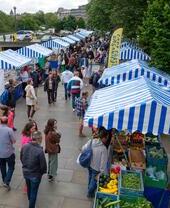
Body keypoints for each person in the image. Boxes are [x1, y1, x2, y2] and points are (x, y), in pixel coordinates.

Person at [20, 131, 47, 208]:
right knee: (34, 192)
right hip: (35, 175)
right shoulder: (39, 151)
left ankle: (30, 200)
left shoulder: (24, 146)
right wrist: (42, 172)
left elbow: (21, 158)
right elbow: (43, 165)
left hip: (26, 172)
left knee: (29, 189)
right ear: (40, 139)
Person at [81, 128, 109, 198]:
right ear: (103, 138)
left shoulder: (92, 141)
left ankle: (89, 188)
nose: (107, 139)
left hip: (89, 164)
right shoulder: (103, 149)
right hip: (96, 169)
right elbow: (103, 163)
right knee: (94, 182)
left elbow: (83, 148)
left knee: (90, 177)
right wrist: (102, 172)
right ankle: (90, 193)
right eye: (106, 138)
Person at [0, 116, 16, 191]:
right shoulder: (9, 130)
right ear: (7, 122)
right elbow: (14, 141)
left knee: (2, 166)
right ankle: (7, 181)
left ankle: (4, 180)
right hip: (8, 152)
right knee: (11, 167)